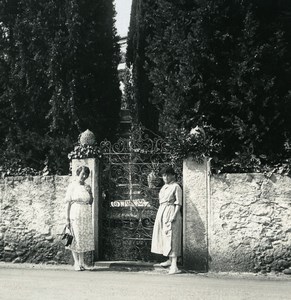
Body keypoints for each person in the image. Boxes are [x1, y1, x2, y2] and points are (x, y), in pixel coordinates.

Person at [151, 166, 182, 274]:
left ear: (173, 175)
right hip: (162, 212)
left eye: (168, 175)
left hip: (171, 211)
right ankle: (169, 259)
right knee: (164, 236)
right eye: (164, 175)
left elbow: (178, 203)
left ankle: (174, 265)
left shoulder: (176, 186)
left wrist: (174, 215)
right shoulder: (164, 188)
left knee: (172, 237)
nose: (166, 177)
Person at [65, 165, 94, 271]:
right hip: (75, 213)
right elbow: (68, 203)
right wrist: (67, 218)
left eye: (86, 174)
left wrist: (90, 192)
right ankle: (76, 263)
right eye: (82, 174)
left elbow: (90, 201)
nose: (84, 176)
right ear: (78, 174)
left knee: (83, 238)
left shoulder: (86, 186)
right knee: (75, 237)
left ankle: (82, 262)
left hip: (85, 214)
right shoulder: (72, 186)